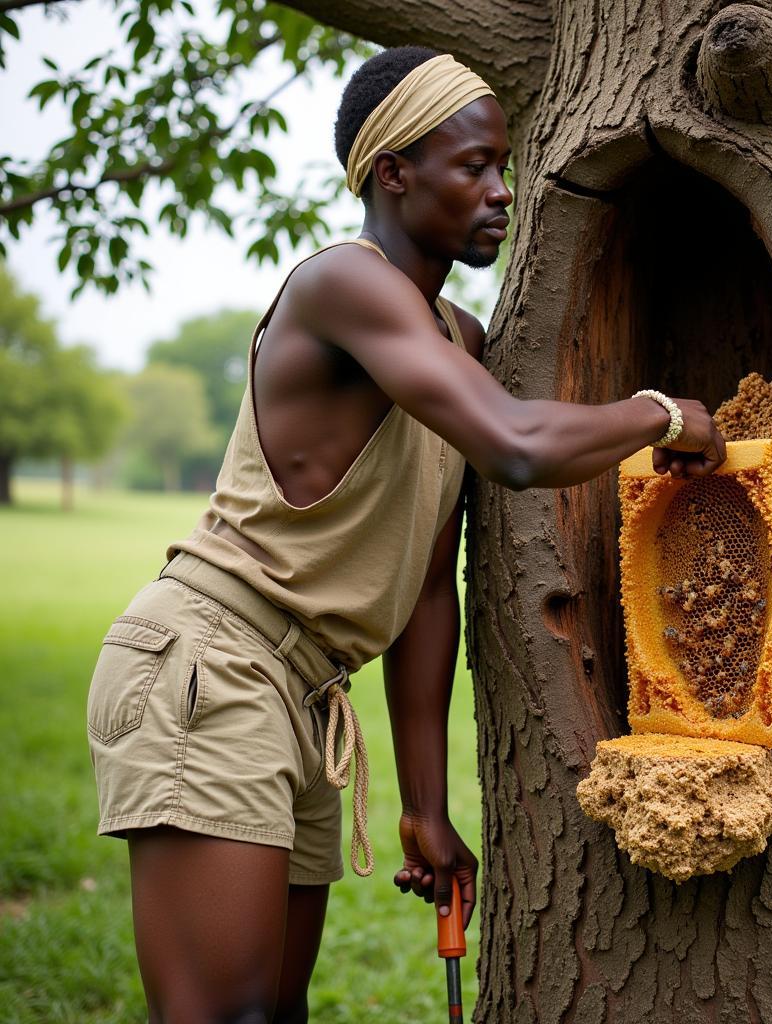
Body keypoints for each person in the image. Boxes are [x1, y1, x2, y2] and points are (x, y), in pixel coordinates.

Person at [85, 44, 726, 1023]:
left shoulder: (458, 340)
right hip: (210, 662)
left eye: (501, 167)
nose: (501, 192)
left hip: (299, 690)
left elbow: (427, 586)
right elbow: (515, 444)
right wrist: (662, 414)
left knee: (274, 1009)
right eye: (473, 167)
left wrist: (424, 803)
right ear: (393, 172)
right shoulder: (344, 284)